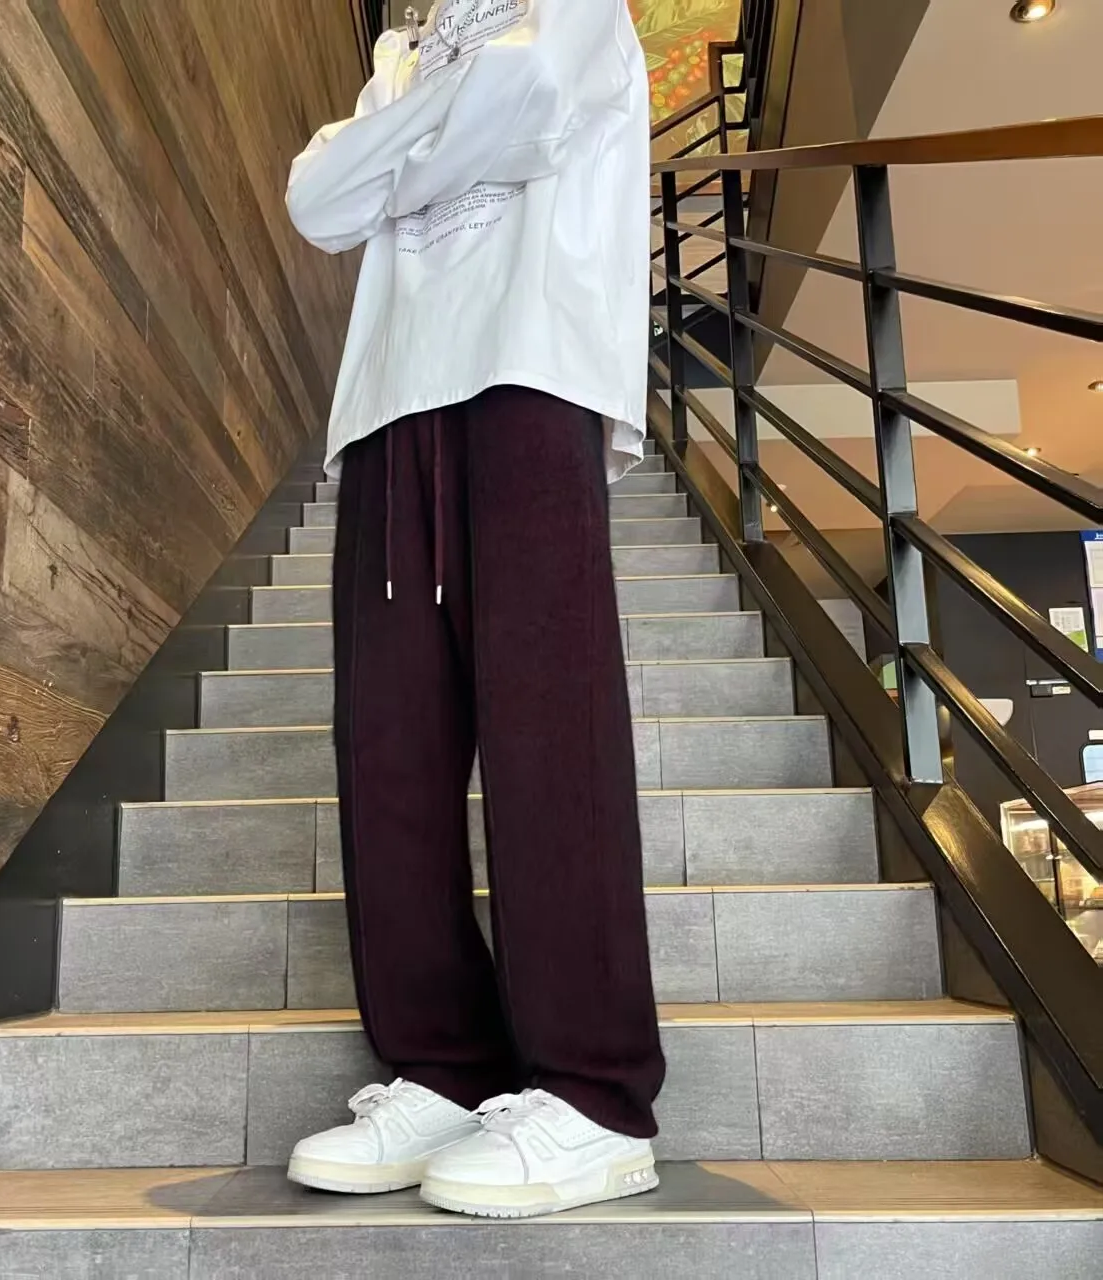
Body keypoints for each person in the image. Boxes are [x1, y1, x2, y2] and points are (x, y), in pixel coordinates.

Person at [283, 0, 664, 1219]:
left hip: (530, 370)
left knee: (549, 732)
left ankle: (596, 1095)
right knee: (387, 747)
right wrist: (438, 124)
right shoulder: (401, 49)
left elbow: (532, 100)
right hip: (388, 402)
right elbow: (316, 200)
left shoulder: (570, 9)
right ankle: (444, 1063)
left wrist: (391, 151)